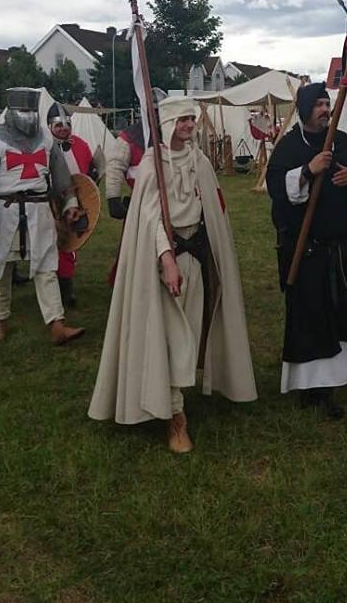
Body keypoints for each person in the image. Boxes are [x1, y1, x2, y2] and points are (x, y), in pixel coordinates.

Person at [88, 97, 257, 453]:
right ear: (166, 124)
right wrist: (167, 260)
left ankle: (175, 395)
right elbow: (150, 219)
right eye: (181, 120)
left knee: (190, 330)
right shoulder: (152, 164)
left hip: (195, 256)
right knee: (168, 334)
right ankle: (175, 416)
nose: (188, 125)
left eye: (190, 119)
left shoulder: (199, 160)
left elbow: (213, 209)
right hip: (162, 262)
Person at [266, 82, 347, 419]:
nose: (325, 109)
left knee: (340, 313)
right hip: (306, 251)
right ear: (304, 109)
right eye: (318, 104)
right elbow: (275, 186)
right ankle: (311, 388)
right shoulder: (290, 146)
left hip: (341, 248)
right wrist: (307, 170)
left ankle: (332, 382)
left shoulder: (341, 140)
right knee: (310, 316)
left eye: (327, 103)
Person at [0, 87, 85, 345]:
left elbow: (62, 177)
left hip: (39, 211)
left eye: (32, 110)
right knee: (1, 269)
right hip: (3, 213)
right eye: (23, 110)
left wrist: (70, 202)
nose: (28, 115)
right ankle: (0, 322)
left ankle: (57, 325)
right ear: (11, 111)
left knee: (46, 267)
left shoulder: (46, 140)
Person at [47, 101, 104, 307]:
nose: (63, 128)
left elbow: (87, 174)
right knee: (54, 245)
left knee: (71, 244)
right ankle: (57, 287)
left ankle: (65, 286)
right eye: (58, 125)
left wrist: (94, 177)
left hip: (77, 202)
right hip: (51, 202)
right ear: (50, 127)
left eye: (67, 124)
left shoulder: (81, 144)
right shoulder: (44, 147)